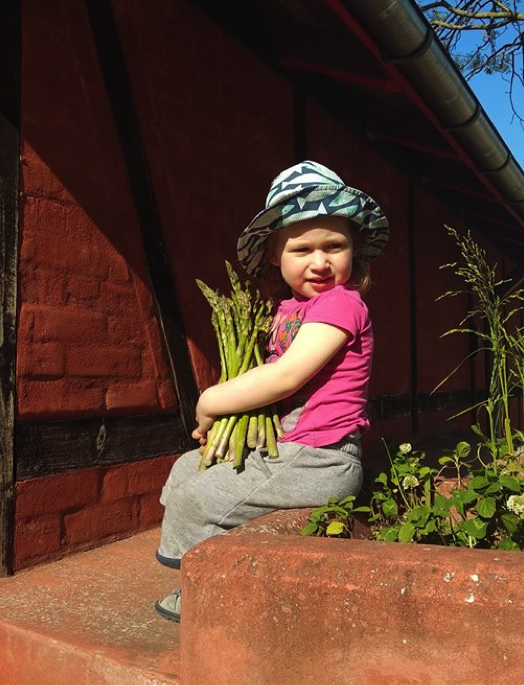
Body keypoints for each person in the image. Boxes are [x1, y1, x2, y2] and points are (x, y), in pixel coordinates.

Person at [154, 160, 390, 622]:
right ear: (275, 256)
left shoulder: (342, 304)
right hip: (288, 447)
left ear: (355, 250)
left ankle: (207, 597)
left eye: (334, 246)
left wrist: (210, 401)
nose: (320, 262)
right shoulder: (287, 309)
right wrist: (229, 424)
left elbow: (285, 377)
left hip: (321, 457)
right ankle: (211, 570)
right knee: (186, 469)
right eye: (302, 249)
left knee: (196, 500)